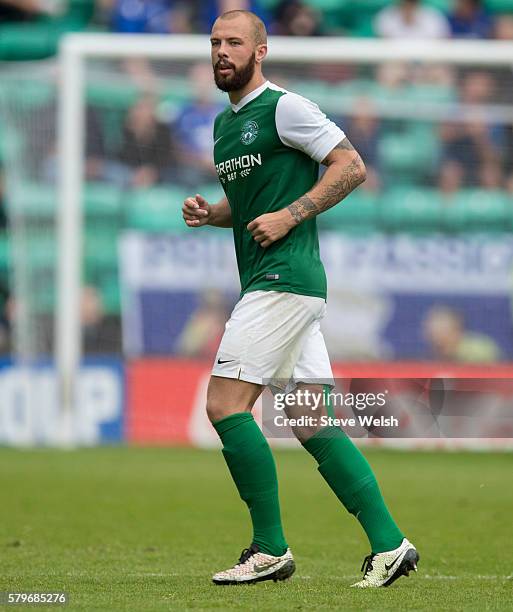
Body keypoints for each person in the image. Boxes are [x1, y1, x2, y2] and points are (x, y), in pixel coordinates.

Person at [182, 9, 419, 588]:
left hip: (283, 283)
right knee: (313, 421)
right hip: (285, 286)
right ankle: (391, 545)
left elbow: (351, 165)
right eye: (215, 42)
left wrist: (293, 215)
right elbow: (256, 200)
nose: (222, 51)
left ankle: (269, 549)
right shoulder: (223, 124)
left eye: (234, 42)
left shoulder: (286, 107)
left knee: (224, 406)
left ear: (260, 51)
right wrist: (216, 214)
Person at [423, 306, 501, 363]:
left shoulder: (478, 351)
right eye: (431, 328)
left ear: (456, 329)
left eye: (440, 327)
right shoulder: (433, 355)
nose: (432, 333)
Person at [374, 0, 450, 39]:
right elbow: (383, 45)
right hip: (396, 61)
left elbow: (441, 44)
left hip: (428, 62)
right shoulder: (386, 17)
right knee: (391, 69)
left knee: (439, 69)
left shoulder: (434, 17)